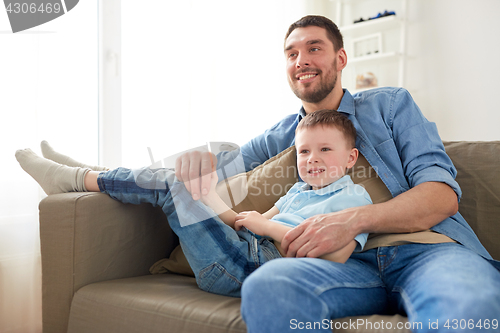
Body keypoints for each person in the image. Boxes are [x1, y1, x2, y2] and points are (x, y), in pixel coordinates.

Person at [15, 14, 500, 333]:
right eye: (291, 53)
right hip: (339, 266)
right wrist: (192, 158)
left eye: (314, 48)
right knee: (268, 287)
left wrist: (351, 221)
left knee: (468, 305)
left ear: (340, 58)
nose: (301, 60)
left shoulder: (390, 105)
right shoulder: (286, 132)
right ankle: (83, 176)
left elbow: (440, 196)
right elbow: (212, 170)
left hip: (424, 250)